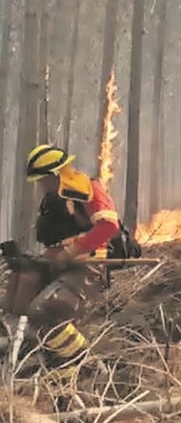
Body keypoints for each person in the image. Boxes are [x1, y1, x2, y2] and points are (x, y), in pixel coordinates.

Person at [3, 144, 121, 381]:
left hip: (85, 267)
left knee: (45, 312)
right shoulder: (54, 199)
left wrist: (74, 250)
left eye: (43, 180)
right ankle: (39, 364)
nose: (41, 186)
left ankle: (85, 364)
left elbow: (109, 226)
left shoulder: (86, 189)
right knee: (14, 306)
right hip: (56, 265)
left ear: (56, 174)